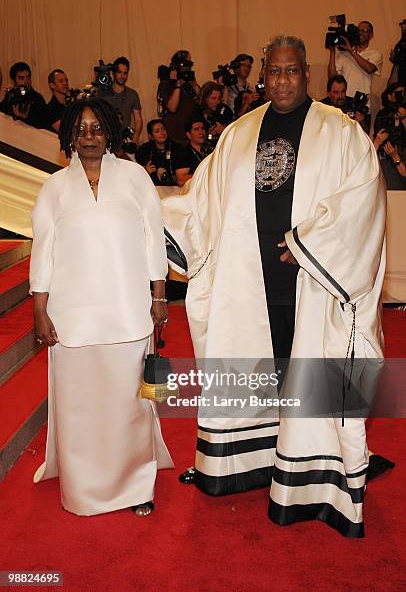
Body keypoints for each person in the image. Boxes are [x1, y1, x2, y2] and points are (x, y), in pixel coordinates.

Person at [162, 35, 387, 537]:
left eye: (292, 71)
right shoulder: (240, 133)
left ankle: (312, 469)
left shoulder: (340, 132)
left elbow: (363, 194)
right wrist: (160, 225)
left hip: (313, 282)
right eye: (274, 72)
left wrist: (308, 243)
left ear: (306, 73)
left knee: (309, 373)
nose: (283, 80)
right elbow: (203, 195)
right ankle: (254, 459)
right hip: (250, 282)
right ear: (264, 75)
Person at [29, 98, 173, 517]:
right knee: (81, 407)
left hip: (128, 312)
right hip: (72, 319)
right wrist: (40, 309)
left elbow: (153, 238)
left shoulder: (133, 178)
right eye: (81, 129)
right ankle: (82, 488)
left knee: (129, 405)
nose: (89, 136)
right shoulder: (54, 187)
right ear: (69, 136)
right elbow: (44, 250)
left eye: (96, 128)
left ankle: (134, 486)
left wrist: (159, 295)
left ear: (110, 132)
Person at [327, 21, 382, 102]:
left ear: (371, 35)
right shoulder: (344, 53)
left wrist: (351, 51)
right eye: (359, 30)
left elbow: (369, 69)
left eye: (365, 31)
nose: (360, 33)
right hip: (344, 101)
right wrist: (332, 52)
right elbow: (332, 77)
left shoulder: (375, 54)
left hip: (363, 102)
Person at [158, 50, 201, 145]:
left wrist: (193, 83)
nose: (188, 65)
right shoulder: (167, 83)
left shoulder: (189, 80)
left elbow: (200, 99)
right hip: (175, 135)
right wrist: (177, 85)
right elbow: (172, 108)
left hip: (190, 135)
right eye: (186, 62)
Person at [137, 119, 188, 186]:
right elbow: (138, 174)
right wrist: (145, 172)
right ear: (150, 136)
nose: (162, 133)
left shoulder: (177, 148)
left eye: (163, 129)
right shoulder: (144, 149)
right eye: (157, 131)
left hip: (174, 187)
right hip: (153, 187)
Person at [103, 56, 143, 144]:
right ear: (113, 73)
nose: (122, 76)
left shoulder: (132, 94)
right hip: (107, 138)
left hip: (126, 138)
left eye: (125, 73)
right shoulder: (103, 92)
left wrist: (136, 137)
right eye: (119, 72)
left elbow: (138, 119)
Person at [0, 61, 47, 128]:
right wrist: (7, 97)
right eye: (21, 78)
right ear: (13, 81)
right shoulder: (12, 95)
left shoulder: (37, 98)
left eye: (28, 77)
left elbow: (43, 124)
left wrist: (25, 117)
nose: (26, 81)